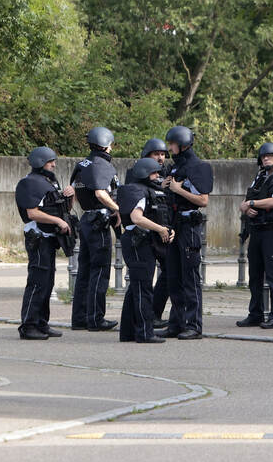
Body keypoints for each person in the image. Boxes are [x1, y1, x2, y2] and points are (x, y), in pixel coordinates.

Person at [13, 146, 74, 340]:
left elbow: (61, 209)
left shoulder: (48, 182)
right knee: (37, 282)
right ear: (40, 162)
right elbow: (32, 213)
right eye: (50, 161)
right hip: (38, 238)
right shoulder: (30, 183)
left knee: (48, 282)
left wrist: (69, 197)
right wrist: (58, 221)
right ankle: (28, 326)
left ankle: (41, 323)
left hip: (49, 238)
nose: (54, 165)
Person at [161, 125, 213, 340]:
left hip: (189, 227)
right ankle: (176, 323)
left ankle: (194, 325)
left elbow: (203, 200)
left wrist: (178, 190)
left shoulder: (198, 167)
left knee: (190, 278)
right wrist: (165, 186)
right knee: (174, 277)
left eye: (172, 144)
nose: (169, 148)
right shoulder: (175, 168)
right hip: (174, 225)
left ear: (182, 144)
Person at [236, 142, 273, 330]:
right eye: (263, 156)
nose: (266, 158)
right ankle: (255, 314)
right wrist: (246, 207)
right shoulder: (259, 178)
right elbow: (246, 201)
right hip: (256, 230)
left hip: (272, 231)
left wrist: (251, 203)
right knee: (254, 275)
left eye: (270, 155)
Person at [116, 157, 175, 343]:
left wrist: (168, 229)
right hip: (138, 242)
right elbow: (137, 218)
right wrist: (160, 229)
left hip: (141, 242)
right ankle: (145, 333)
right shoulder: (138, 191)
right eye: (154, 173)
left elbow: (156, 215)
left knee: (136, 288)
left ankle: (128, 333)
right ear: (144, 173)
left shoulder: (146, 191)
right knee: (143, 289)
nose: (157, 176)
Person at [70, 126, 120, 332]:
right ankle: (96, 318)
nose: (111, 148)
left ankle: (79, 318)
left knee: (84, 271)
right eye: (111, 145)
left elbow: (72, 192)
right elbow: (100, 193)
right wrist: (117, 209)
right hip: (99, 221)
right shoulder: (101, 165)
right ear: (106, 144)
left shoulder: (82, 165)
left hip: (86, 219)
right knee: (100, 271)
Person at [140, 138, 171, 330]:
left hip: (164, 230)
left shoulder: (167, 173)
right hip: (146, 230)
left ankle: (154, 313)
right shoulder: (138, 174)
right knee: (144, 277)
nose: (160, 158)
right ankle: (144, 317)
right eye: (156, 154)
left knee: (169, 271)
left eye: (162, 154)